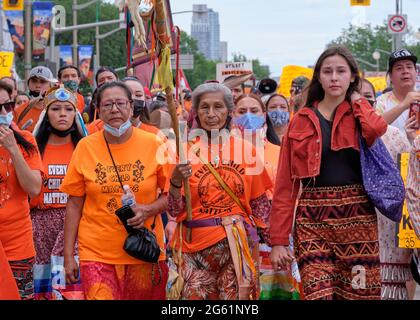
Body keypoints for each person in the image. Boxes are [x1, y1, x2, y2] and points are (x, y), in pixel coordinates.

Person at [270, 46, 387, 300]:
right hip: (312, 221)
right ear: (319, 77)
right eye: (328, 71)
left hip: (358, 223)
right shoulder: (300, 120)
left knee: (360, 294)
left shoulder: (360, 114)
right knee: (317, 294)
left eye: (341, 71)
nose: (334, 77)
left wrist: (357, 99)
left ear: (353, 76)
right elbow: (284, 186)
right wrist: (278, 240)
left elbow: (377, 129)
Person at [60, 81, 169, 300]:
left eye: (120, 103)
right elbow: (74, 203)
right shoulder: (85, 147)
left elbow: (172, 196)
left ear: (131, 106)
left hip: (143, 250)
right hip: (96, 252)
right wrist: (68, 255)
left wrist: (148, 210)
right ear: (98, 110)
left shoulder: (156, 143)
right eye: (108, 105)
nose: (115, 110)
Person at [166, 83, 272, 300]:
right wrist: (175, 182)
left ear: (229, 111)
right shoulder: (183, 151)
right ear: (196, 112)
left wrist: (276, 244)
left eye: (218, 107)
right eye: (204, 107)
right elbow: (175, 211)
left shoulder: (246, 150)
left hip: (236, 246)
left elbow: (260, 205)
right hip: (193, 248)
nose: (211, 114)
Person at [30, 86, 87, 300]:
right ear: (46, 115)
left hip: (76, 226)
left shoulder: (85, 147)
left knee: (71, 290)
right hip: (39, 230)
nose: (62, 114)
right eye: (55, 109)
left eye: (68, 109)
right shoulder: (34, 148)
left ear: (76, 114)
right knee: (43, 290)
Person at [0, 80, 43, 300]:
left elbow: (34, 188)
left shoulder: (25, 140)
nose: (3, 112)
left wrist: (12, 150)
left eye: (7, 106)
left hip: (17, 245)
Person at [376, 49, 420, 133]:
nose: (405, 71)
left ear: (416, 72)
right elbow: (374, 127)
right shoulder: (382, 102)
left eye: (409, 67)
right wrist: (404, 105)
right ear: (390, 76)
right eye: (399, 68)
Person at [14, 66, 56, 132]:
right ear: (28, 84)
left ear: (51, 85)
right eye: (34, 81)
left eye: (43, 81)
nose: (38, 85)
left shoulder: (58, 109)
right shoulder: (18, 112)